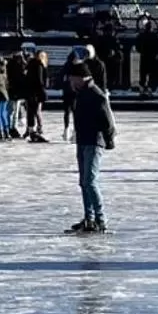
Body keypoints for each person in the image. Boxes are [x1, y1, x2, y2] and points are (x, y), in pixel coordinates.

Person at [67, 64, 118, 234]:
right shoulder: (81, 93)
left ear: (81, 78)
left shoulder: (97, 95)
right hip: (83, 141)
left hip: (94, 142)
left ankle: (101, 219)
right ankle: (89, 219)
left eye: (72, 79)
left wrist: (109, 139)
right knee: (83, 182)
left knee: (90, 181)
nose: (70, 82)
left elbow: (108, 121)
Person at [21, 48, 50, 143]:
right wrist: (43, 92)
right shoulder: (39, 65)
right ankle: (36, 130)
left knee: (31, 112)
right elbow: (40, 80)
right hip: (36, 93)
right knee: (36, 111)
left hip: (29, 92)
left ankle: (31, 130)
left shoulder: (31, 64)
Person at [135, 17, 158, 98]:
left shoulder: (141, 36)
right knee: (152, 73)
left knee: (143, 73)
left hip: (144, 56)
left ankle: (142, 88)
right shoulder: (154, 36)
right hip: (152, 57)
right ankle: (151, 88)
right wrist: (157, 54)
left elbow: (137, 46)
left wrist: (140, 51)